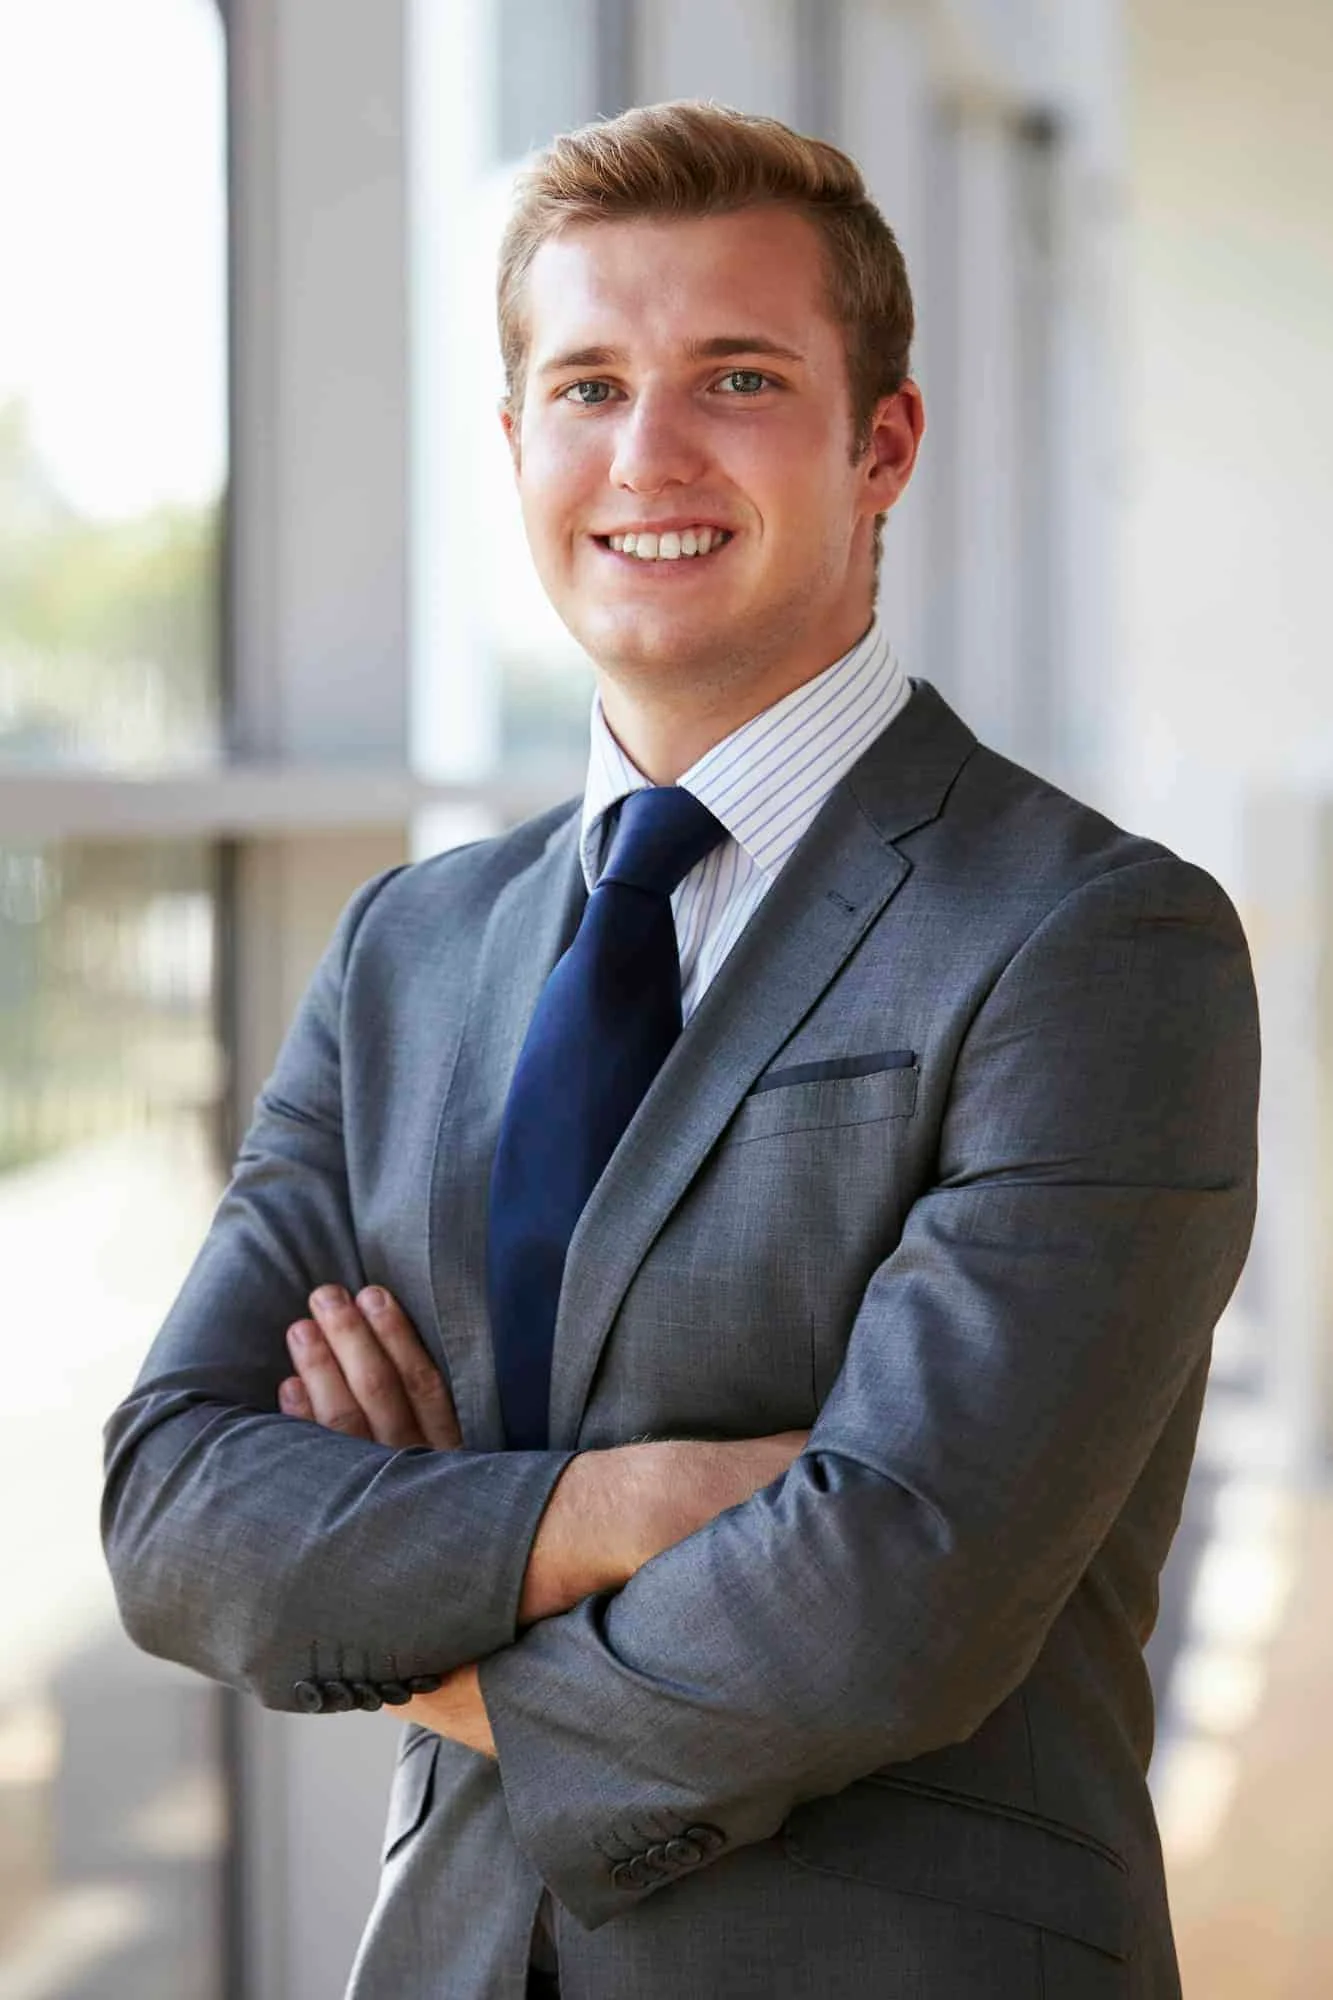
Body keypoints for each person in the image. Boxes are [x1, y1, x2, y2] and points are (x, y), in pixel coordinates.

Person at [102, 101, 1260, 2000]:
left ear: (881, 443)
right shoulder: (407, 949)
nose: (646, 454)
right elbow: (172, 1511)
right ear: (514, 444)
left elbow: (887, 1607)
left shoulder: (1094, 939)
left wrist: (409, 1587)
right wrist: (620, 1511)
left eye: (735, 377)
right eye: (585, 386)